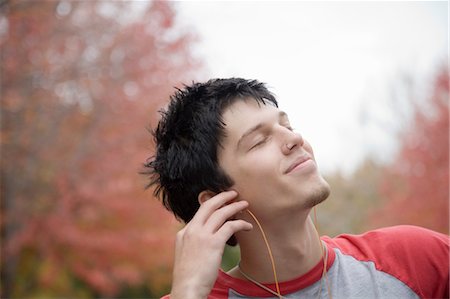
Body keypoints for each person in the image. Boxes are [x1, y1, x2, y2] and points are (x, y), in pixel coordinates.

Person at [144, 78, 449, 299]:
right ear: (216, 202)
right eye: (259, 141)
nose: (295, 139)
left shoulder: (415, 260)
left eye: (287, 126)